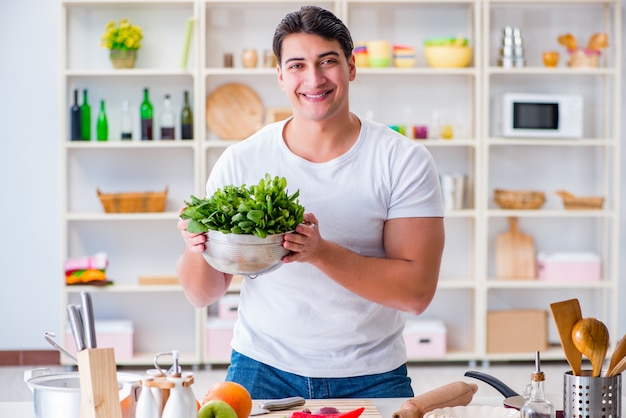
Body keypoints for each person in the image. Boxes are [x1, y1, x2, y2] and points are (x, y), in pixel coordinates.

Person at [177, 5, 444, 399]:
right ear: (281, 76)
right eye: (298, 65)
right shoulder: (243, 159)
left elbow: (416, 293)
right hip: (260, 367)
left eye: (328, 62)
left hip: (372, 373)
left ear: (352, 67)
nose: (314, 79)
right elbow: (202, 294)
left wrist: (320, 252)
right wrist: (196, 246)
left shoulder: (402, 160)